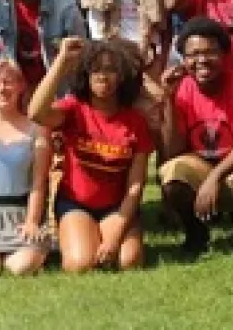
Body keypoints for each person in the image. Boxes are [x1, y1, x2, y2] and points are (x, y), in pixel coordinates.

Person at [27, 37, 153, 272]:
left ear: (122, 76)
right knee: (79, 264)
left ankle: (111, 234)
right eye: (95, 70)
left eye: (110, 70)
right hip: (76, 204)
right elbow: (36, 113)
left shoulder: (135, 121)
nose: (102, 76)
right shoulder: (73, 109)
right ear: (85, 75)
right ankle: (82, 233)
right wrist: (62, 61)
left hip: (117, 207)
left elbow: (136, 186)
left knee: (129, 262)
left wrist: (115, 236)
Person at [159, 18, 233, 255]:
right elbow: (171, 151)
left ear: (225, 55)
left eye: (210, 52)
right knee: (172, 173)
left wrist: (216, 175)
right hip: (201, 165)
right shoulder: (180, 88)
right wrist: (169, 100)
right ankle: (196, 233)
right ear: (183, 59)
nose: (202, 60)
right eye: (193, 54)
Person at [0, 58, 51, 276]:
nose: (1, 89)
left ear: (21, 85)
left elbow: (38, 182)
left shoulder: (37, 129)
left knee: (22, 267)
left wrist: (32, 221)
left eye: (8, 82)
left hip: (21, 213)